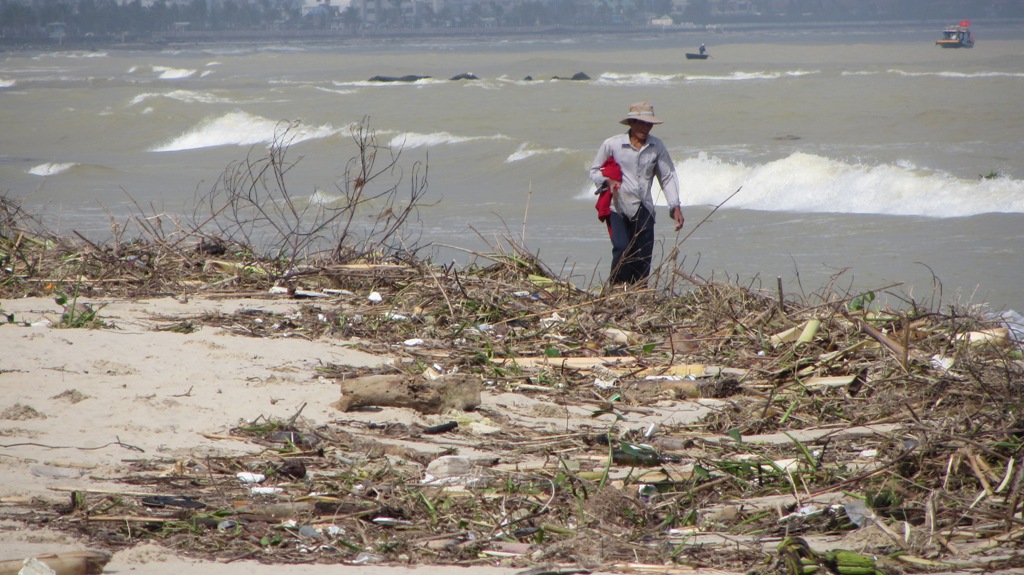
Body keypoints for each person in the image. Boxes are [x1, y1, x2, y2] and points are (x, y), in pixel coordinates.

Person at [590, 101, 683, 285]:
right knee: (622, 248)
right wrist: (607, 181)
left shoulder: (657, 146)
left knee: (643, 257)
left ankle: (639, 294)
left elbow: (667, 176)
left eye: (649, 124)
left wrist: (675, 206)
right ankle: (616, 289)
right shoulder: (613, 145)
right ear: (631, 123)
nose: (645, 127)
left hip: (644, 208)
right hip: (618, 206)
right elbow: (595, 170)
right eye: (641, 123)